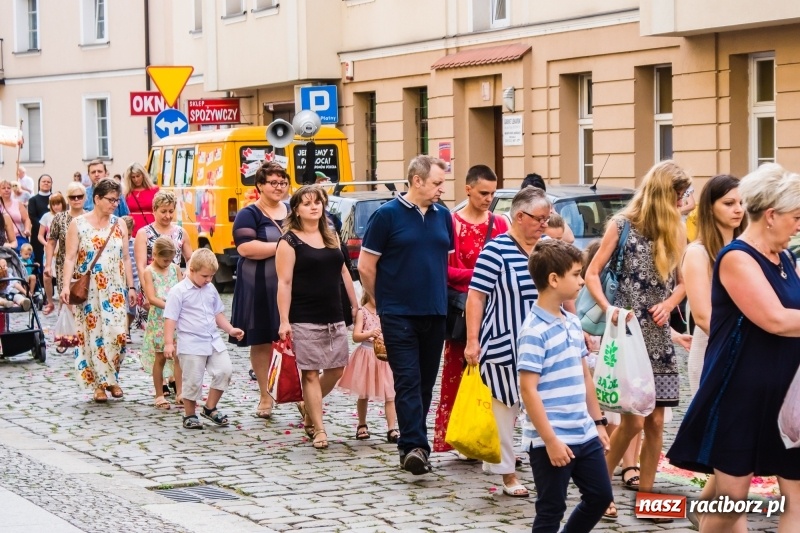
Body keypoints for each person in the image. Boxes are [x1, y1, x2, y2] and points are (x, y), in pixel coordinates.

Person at [668, 163, 800, 532]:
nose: (799, 224)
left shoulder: (786, 259)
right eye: (796, 216)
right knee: (730, 506)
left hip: (787, 397)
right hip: (742, 394)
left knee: (796, 499)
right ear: (771, 216)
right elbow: (773, 319)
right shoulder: (737, 258)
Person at [584, 159, 690, 521]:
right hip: (627, 332)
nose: (682, 200)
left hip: (658, 335)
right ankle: (599, 493)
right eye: (678, 194)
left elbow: (686, 279)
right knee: (630, 422)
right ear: (664, 193)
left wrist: (672, 302)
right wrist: (607, 308)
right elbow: (592, 272)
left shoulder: (675, 229)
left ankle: (648, 498)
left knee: (657, 422)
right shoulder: (621, 225)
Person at [358, 155, 452, 474]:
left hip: (435, 312)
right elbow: (366, 267)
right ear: (417, 181)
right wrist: (383, 303)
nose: (442, 189)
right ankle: (414, 446)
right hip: (398, 314)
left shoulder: (444, 216)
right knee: (408, 380)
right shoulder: (387, 216)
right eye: (437, 183)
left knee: (425, 383)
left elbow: (446, 265)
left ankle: (411, 444)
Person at [518, 239, 613, 532]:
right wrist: (550, 441)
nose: (582, 280)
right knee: (551, 509)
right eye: (576, 273)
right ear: (554, 279)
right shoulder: (534, 331)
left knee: (600, 496)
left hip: (583, 432)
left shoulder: (572, 322)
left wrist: (597, 423)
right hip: (552, 438)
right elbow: (528, 390)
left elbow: (585, 376)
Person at [464, 186, 549, 497]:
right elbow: (476, 296)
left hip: (543, 344)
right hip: (504, 341)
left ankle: (543, 464)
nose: (544, 224)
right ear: (519, 217)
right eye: (539, 218)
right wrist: (472, 340)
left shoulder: (547, 249)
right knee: (505, 409)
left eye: (547, 218)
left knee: (542, 407)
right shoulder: (495, 250)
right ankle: (508, 474)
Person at [678, 174, 744, 527]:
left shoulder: (747, 249)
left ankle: (703, 512)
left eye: (740, 202)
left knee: (732, 453)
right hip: (714, 353)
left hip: (748, 353)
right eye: (728, 203)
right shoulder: (699, 251)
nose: (737, 209)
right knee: (726, 447)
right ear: (710, 207)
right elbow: (704, 316)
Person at [276, 185, 359, 449]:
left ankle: (308, 405)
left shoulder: (332, 236)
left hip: (334, 313)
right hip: (304, 315)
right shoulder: (289, 241)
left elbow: (345, 272)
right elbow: (284, 282)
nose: (314, 207)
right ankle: (319, 429)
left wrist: (355, 306)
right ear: (297, 210)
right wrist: (284, 320)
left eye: (318, 202)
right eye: (307, 203)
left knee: (336, 369)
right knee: (310, 373)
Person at [433, 164, 507, 454]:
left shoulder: (500, 224)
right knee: (457, 373)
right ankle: (458, 436)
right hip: (461, 312)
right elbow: (446, 271)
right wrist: (480, 275)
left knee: (495, 378)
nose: (488, 198)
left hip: (495, 311)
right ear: (468, 190)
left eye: (492, 193)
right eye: (483, 192)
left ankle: (489, 437)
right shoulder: (451, 223)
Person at [60, 178, 137, 403]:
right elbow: (70, 257)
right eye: (110, 200)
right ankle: (100, 385)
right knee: (94, 337)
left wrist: (131, 286)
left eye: (117, 200)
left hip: (114, 289)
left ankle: (111, 376)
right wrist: (65, 285)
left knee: (118, 336)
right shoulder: (79, 224)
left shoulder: (120, 224)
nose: (115, 204)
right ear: (96, 198)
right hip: (90, 290)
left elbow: (125, 257)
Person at [229, 161, 289, 419]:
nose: (279, 187)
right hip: (260, 285)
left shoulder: (292, 210)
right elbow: (245, 248)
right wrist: (285, 248)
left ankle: (297, 392)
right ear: (260, 186)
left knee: (295, 339)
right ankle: (266, 394)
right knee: (263, 340)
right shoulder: (249, 213)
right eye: (273, 183)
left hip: (292, 283)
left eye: (283, 182)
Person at [164, 248, 243, 429]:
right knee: (192, 380)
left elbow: (218, 313)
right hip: (191, 342)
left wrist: (230, 329)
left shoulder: (210, 289)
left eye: (211, 276)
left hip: (212, 339)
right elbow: (170, 318)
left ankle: (210, 407)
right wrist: (169, 343)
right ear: (192, 270)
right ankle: (189, 414)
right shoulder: (179, 291)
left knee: (225, 371)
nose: (208, 280)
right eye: (205, 276)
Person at [338, 291, 399, 443]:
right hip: (367, 355)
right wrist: (370, 333)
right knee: (363, 393)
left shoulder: (387, 310)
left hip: (384, 356)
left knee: (390, 393)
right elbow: (356, 336)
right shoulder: (362, 312)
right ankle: (362, 424)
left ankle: (392, 428)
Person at [141, 237, 182, 410]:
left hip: (177, 320)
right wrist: (171, 306)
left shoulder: (175, 269)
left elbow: (181, 289)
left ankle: (180, 392)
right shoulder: (149, 272)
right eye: (165, 259)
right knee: (160, 357)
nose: (168, 263)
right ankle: (159, 394)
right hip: (159, 319)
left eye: (170, 259)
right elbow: (151, 298)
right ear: (155, 255)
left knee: (179, 356)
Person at [44, 182, 86, 315]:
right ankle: (68, 333)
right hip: (64, 264)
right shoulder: (59, 218)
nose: (76, 200)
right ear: (67, 199)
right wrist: (48, 265)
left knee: (84, 299)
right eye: (73, 197)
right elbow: (51, 242)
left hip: (85, 265)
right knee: (67, 299)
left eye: (79, 196)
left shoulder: (89, 217)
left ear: (85, 197)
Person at [134, 191, 191, 282]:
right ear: (154, 210)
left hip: (175, 284)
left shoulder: (181, 232)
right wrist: (147, 291)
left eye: (171, 211)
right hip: (153, 284)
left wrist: (188, 271)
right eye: (163, 211)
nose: (168, 216)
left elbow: (190, 258)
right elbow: (141, 267)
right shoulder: (144, 233)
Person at [121, 216, 141, 344]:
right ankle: (125, 332)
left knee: (132, 308)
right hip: (121, 279)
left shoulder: (135, 243)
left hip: (134, 279)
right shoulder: (117, 242)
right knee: (124, 307)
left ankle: (127, 327)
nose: (127, 237)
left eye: (129, 234)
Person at [124, 163, 159, 237]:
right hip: (132, 228)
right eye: (133, 177)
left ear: (143, 175)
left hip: (151, 226)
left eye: (138, 176)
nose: (136, 179)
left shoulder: (154, 190)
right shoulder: (126, 193)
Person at [27, 174, 52, 272]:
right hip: (38, 234)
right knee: (39, 258)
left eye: (48, 182)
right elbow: (33, 217)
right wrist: (45, 227)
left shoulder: (55, 199)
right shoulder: (33, 200)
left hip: (53, 234)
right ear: (39, 183)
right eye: (43, 181)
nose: (46, 183)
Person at [0, 179, 32, 250]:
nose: (6, 190)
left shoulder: (18, 203)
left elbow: (26, 219)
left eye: (8, 188)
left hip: (18, 238)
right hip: (3, 240)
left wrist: (27, 229)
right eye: (3, 188)